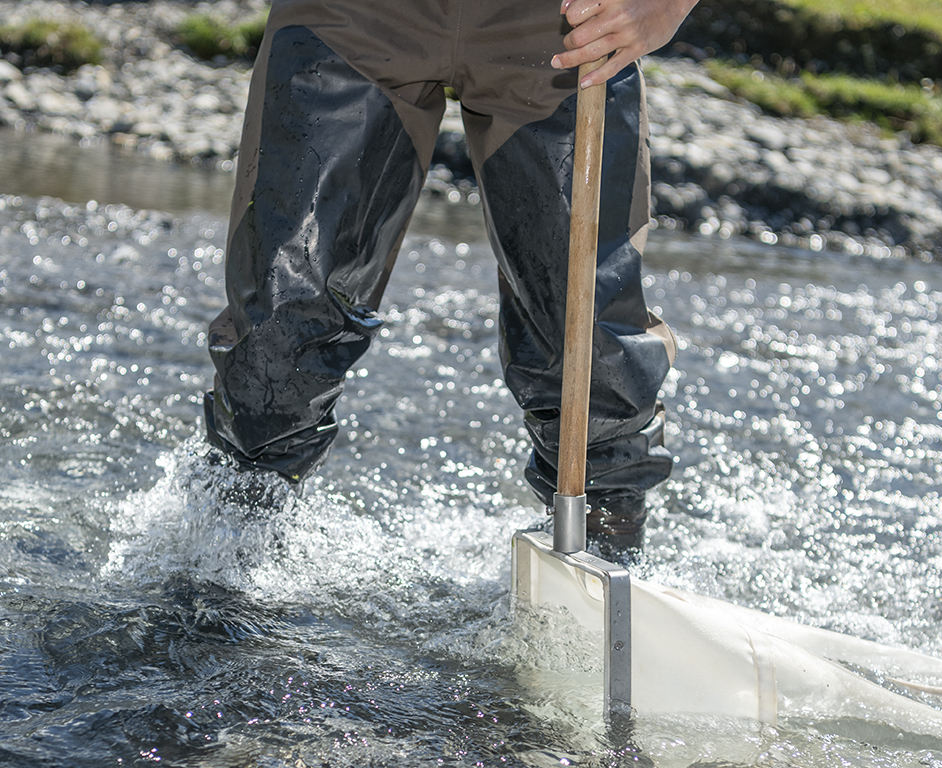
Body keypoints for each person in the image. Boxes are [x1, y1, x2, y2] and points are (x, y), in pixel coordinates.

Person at [201, 0, 698, 558]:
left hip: (560, 25)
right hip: (356, 16)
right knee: (279, 331)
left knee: (591, 355)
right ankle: (228, 559)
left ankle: (605, 563)